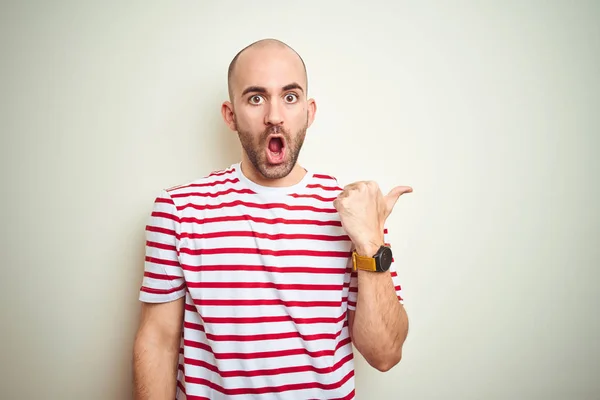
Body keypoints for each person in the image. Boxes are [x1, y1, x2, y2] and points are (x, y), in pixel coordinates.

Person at [132, 38, 412, 400]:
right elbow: (157, 343)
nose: (275, 115)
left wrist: (371, 240)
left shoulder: (353, 212)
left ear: (309, 112)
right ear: (230, 115)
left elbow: (385, 355)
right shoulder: (179, 210)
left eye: (290, 97)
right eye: (256, 98)